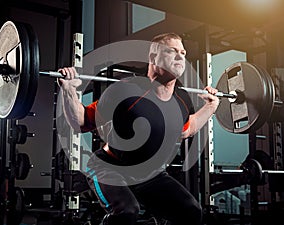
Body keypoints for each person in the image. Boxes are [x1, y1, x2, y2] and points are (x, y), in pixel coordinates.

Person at [58, 32, 220, 225]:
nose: (180, 56)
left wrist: (211, 106)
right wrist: (68, 91)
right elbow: (82, 122)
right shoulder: (124, 90)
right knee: (126, 211)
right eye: (172, 51)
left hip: (150, 174)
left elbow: (187, 129)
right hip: (109, 167)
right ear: (153, 57)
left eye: (183, 52)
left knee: (191, 211)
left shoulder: (181, 102)